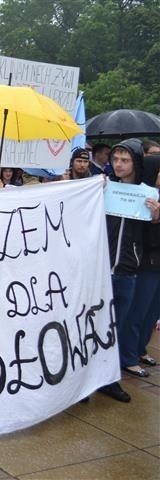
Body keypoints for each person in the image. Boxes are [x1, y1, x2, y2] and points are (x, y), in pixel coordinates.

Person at [100, 138, 159, 400]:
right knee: (98, 325)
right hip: (100, 269)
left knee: (118, 325)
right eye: (115, 159)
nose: (119, 164)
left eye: (125, 160)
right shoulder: (103, 187)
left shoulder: (147, 194)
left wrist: (156, 217)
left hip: (126, 270)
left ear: (135, 162)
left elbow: (148, 236)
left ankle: (110, 379)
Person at [127, 154, 160, 369]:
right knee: (138, 312)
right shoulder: (141, 198)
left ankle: (140, 349)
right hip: (146, 263)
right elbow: (143, 236)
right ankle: (128, 356)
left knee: (152, 311)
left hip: (157, 264)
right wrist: (155, 219)